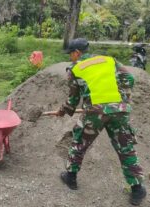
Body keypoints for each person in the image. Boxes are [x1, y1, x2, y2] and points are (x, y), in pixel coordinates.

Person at [56, 38, 146, 206]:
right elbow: (129, 78)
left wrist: (63, 111)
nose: (71, 57)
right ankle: (137, 190)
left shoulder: (76, 69)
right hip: (119, 110)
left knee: (79, 142)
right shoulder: (109, 60)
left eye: (71, 54)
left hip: (95, 113)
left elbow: (73, 99)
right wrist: (123, 98)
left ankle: (71, 177)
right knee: (125, 148)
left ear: (77, 52)